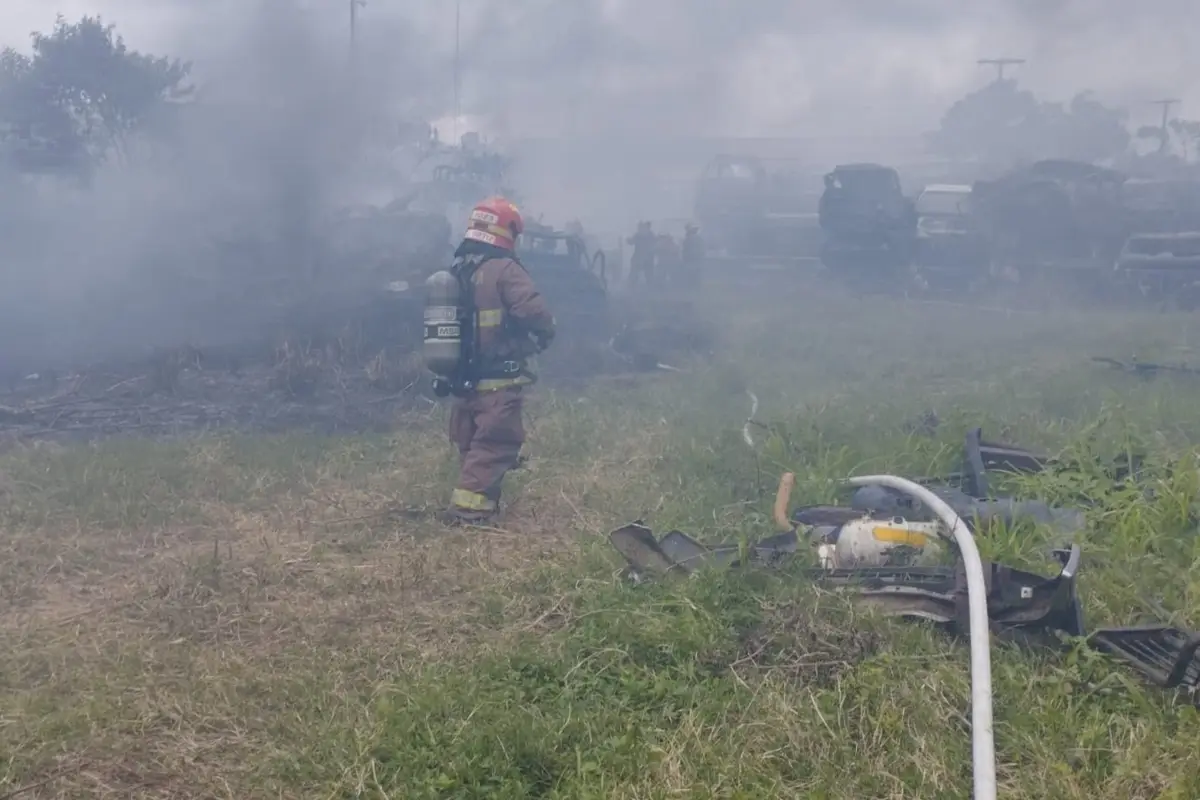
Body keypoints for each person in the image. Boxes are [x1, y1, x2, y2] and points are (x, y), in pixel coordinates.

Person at [443, 196, 556, 524]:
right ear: (506, 230)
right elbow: (532, 310)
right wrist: (547, 331)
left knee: (473, 444)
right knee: (494, 444)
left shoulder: (460, 268)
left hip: (465, 380)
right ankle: (467, 513)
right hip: (498, 379)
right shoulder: (503, 269)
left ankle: (483, 507)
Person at [626, 221, 657, 287]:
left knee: (648, 274)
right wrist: (628, 240)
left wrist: (629, 240)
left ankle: (649, 287)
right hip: (639, 257)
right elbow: (631, 242)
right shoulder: (638, 235)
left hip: (645, 258)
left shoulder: (649, 235)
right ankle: (632, 285)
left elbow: (655, 245)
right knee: (634, 272)